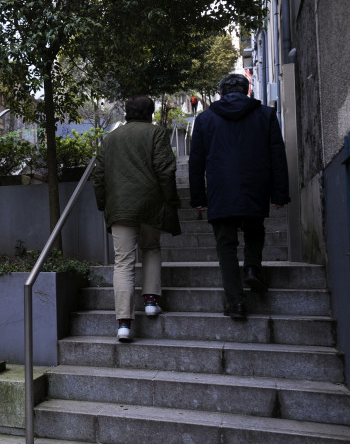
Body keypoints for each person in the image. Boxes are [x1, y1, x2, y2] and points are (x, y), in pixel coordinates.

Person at [189, 74, 289, 320]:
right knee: (255, 230)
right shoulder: (265, 115)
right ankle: (253, 267)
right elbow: (277, 155)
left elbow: (196, 162)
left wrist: (198, 197)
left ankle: (236, 303)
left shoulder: (204, 119)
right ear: (247, 91)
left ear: (221, 93)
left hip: (220, 190)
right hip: (255, 185)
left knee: (226, 246)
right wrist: (279, 193)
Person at [91, 96, 181, 343]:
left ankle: (124, 324)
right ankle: (151, 300)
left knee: (123, 262)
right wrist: (171, 199)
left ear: (127, 113)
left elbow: (98, 176)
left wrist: (104, 203)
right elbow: (166, 169)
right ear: (150, 112)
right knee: (151, 247)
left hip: (120, 207)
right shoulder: (157, 133)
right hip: (151, 204)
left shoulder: (110, 139)